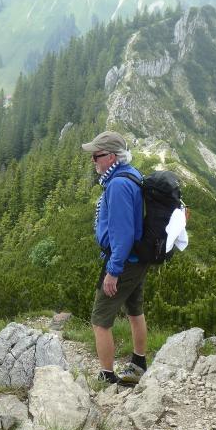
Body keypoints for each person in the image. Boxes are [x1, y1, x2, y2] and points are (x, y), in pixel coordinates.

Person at [82, 130, 149, 386]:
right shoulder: (132, 174)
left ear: (111, 157)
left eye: (96, 156)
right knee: (135, 310)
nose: (93, 161)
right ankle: (139, 363)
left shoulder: (119, 185)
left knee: (100, 320)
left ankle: (107, 377)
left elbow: (123, 233)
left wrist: (113, 270)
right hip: (137, 259)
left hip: (123, 261)